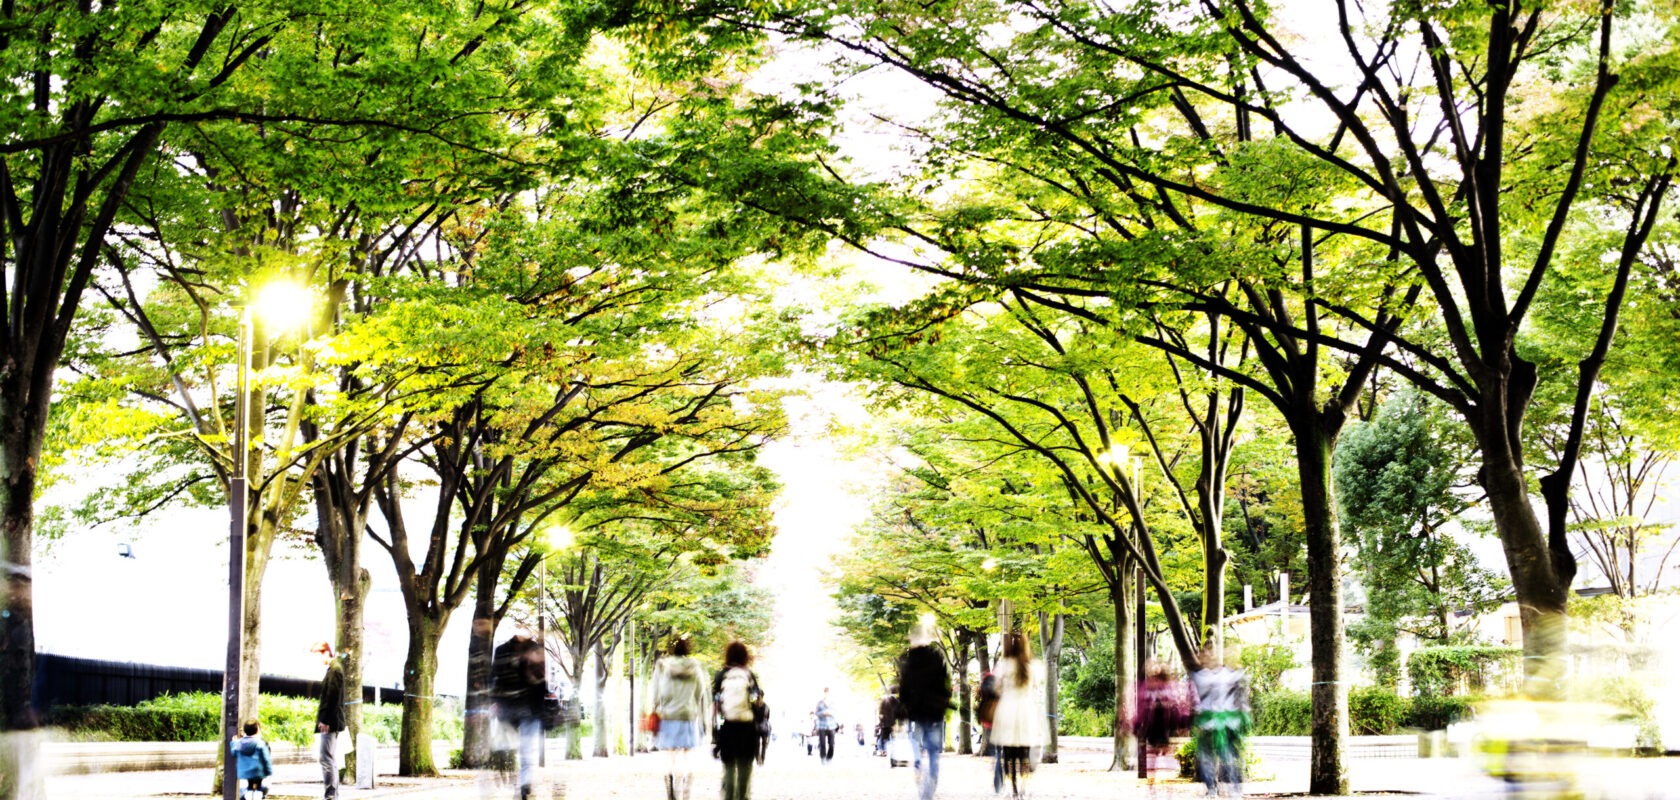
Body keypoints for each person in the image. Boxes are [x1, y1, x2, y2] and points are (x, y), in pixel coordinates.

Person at [896, 620, 953, 800]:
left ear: (911, 638)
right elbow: (945, 682)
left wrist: (902, 707)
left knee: (917, 744)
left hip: (916, 710)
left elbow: (903, 687)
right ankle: (932, 780)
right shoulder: (937, 656)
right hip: (935, 708)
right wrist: (945, 700)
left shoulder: (907, 659)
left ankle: (920, 772)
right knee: (934, 749)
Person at [989, 631, 1048, 799]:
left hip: (1007, 709)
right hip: (1026, 709)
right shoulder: (1033, 666)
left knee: (1009, 752)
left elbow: (996, 688)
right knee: (1024, 750)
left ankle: (1013, 787)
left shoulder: (1005, 665)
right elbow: (1037, 686)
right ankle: (1024, 785)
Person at [492, 630, 549, 800]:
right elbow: (495, 677)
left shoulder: (536, 648)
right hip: (510, 708)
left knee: (526, 751)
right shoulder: (502, 650)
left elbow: (541, 679)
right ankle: (522, 783)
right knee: (513, 749)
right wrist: (495, 701)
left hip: (528, 709)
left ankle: (524, 787)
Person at [1190, 646, 1251, 799]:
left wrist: (1242, 711)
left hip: (1226, 724)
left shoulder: (1226, 675)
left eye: (1211, 654)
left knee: (1228, 757)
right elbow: (1193, 700)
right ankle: (1212, 789)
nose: (1208, 657)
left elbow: (1240, 696)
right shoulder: (1198, 677)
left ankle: (1234, 789)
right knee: (1207, 760)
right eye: (1205, 655)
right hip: (1207, 723)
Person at [651, 636, 706, 800]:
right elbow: (700, 691)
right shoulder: (695, 667)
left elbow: (655, 691)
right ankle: (685, 787)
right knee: (687, 755)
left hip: (668, 715)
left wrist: (656, 706)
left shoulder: (662, 666)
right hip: (688, 715)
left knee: (671, 755)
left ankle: (670, 787)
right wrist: (694, 707)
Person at [712, 641, 764, 800]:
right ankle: (743, 796)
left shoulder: (721, 675)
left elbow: (716, 703)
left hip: (728, 726)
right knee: (745, 767)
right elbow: (757, 700)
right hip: (747, 727)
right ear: (745, 656)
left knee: (728, 767)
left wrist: (715, 730)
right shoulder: (749, 675)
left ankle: (728, 796)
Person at [1133, 659, 1192, 797]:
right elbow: (1141, 710)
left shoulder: (1166, 687)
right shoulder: (1146, 687)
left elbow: (1177, 706)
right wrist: (1136, 726)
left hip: (1165, 728)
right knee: (1153, 762)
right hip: (1152, 729)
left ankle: (1167, 792)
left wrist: (1182, 723)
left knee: (1165, 761)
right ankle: (1153, 792)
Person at [312, 642, 346, 800]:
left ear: (325, 653)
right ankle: (332, 794)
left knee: (326, 758)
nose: (318, 660)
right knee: (328, 757)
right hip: (331, 721)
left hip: (330, 722)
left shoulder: (334, 671)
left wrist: (325, 721)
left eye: (318, 655)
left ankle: (331, 795)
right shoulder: (334, 670)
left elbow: (332, 698)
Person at [230, 719, 273, 799]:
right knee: (261, 788)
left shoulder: (239, 744)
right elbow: (266, 759)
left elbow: (234, 753)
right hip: (257, 772)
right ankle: (261, 795)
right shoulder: (260, 743)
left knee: (246, 789)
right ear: (257, 731)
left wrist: (233, 743)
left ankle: (246, 796)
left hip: (244, 773)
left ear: (245, 731)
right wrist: (269, 772)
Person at [814, 689, 838, 763]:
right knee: (822, 743)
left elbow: (835, 712)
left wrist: (829, 712)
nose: (826, 695)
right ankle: (823, 758)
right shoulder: (819, 703)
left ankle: (829, 757)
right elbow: (817, 713)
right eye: (825, 693)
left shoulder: (833, 703)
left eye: (827, 693)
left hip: (831, 725)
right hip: (822, 725)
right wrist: (823, 713)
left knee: (831, 744)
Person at [876, 685, 900, 757]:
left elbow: (880, 714)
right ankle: (888, 752)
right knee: (892, 738)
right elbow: (897, 713)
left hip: (885, 723)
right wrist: (894, 724)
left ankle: (884, 751)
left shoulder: (884, 701)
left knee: (885, 737)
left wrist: (882, 721)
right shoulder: (896, 702)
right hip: (891, 723)